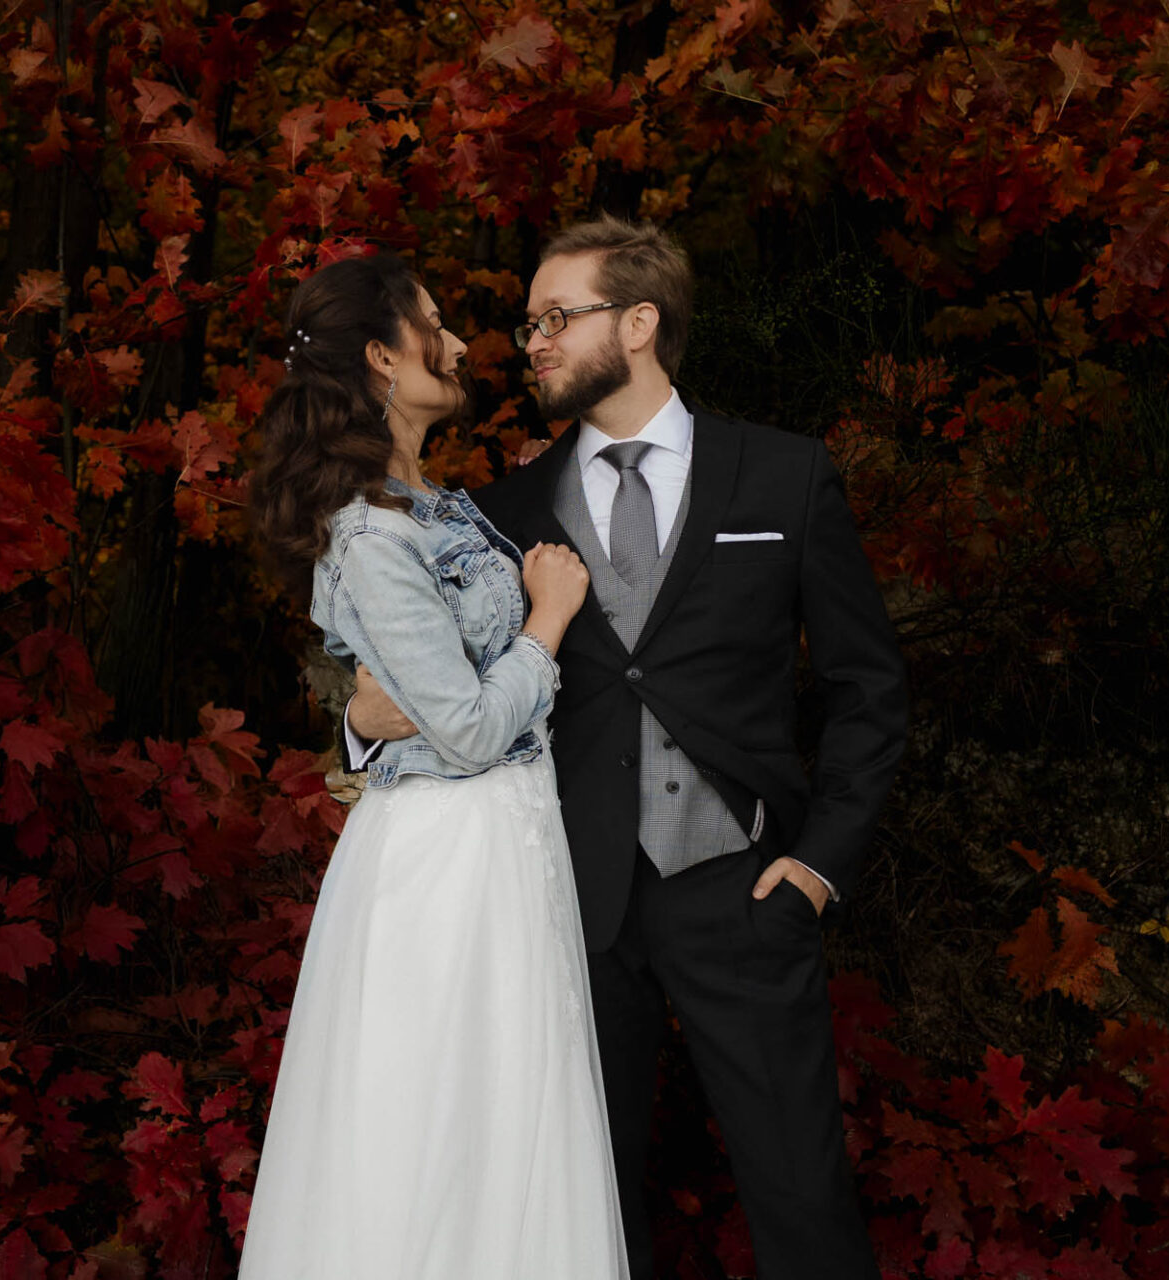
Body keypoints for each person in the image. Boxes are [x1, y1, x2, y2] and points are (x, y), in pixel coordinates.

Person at [347, 216, 909, 1280]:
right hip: (564, 908)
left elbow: (868, 689)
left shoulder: (783, 476)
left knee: (803, 1198)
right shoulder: (500, 512)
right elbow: (432, 688)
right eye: (530, 324)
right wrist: (359, 721)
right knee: (578, 1211)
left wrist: (818, 864)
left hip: (745, 889)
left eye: (557, 318)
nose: (534, 343)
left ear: (640, 322)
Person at [240, 252, 629, 1279]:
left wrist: (386, 712)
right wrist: (548, 620)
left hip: (508, 842)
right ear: (381, 355)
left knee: (511, 1120)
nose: (458, 344)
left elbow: (415, 693)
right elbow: (464, 729)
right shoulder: (371, 533)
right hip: (447, 858)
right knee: (441, 1123)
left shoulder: (439, 506)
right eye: (434, 325)